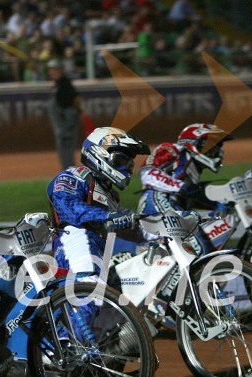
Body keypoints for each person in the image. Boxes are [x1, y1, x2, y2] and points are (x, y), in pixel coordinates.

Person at [47, 127, 150, 277]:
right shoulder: (74, 175)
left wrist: (163, 228)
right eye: (120, 161)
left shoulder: (109, 194)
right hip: (74, 242)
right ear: (99, 153)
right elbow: (67, 206)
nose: (127, 169)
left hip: (100, 251)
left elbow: (133, 224)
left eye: (129, 165)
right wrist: (107, 216)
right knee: (90, 293)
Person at [137, 122, 235, 256]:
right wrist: (180, 186)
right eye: (212, 147)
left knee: (204, 249)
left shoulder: (194, 169)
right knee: (197, 249)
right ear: (195, 144)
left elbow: (194, 195)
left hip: (175, 209)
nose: (217, 152)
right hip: (158, 201)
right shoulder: (171, 149)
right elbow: (146, 172)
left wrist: (223, 202)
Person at [47, 59, 82, 170]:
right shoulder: (58, 84)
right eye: (51, 70)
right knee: (63, 152)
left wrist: (70, 122)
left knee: (66, 152)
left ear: (60, 70)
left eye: (54, 69)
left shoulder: (65, 83)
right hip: (61, 125)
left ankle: (71, 176)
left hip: (67, 124)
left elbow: (77, 100)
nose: (52, 72)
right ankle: (68, 174)